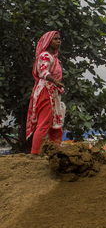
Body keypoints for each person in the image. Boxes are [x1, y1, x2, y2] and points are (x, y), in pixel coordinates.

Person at [26, 31, 65, 159]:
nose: (59, 41)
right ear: (48, 41)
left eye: (59, 39)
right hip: (45, 92)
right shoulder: (45, 56)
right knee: (44, 122)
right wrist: (55, 81)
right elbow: (43, 72)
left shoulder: (55, 59)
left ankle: (55, 152)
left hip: (53, 92)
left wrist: (56, 84)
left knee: (56, 125)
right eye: (55, 39)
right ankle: (35, 153)